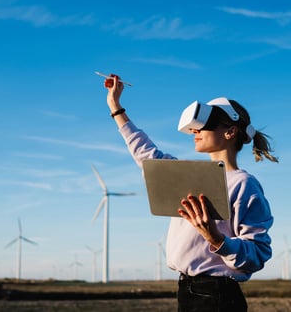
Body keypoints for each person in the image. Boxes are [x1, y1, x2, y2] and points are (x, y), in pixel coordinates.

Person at [103, 74, 278, 312]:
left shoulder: (244, 183)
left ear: (230, 132)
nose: (196, 130)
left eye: (204, 124)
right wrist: (115, 107)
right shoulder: (189, 177)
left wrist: (216, 239)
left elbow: (258, 253)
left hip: (217, 295)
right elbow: (147, 155)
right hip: (187, 291)